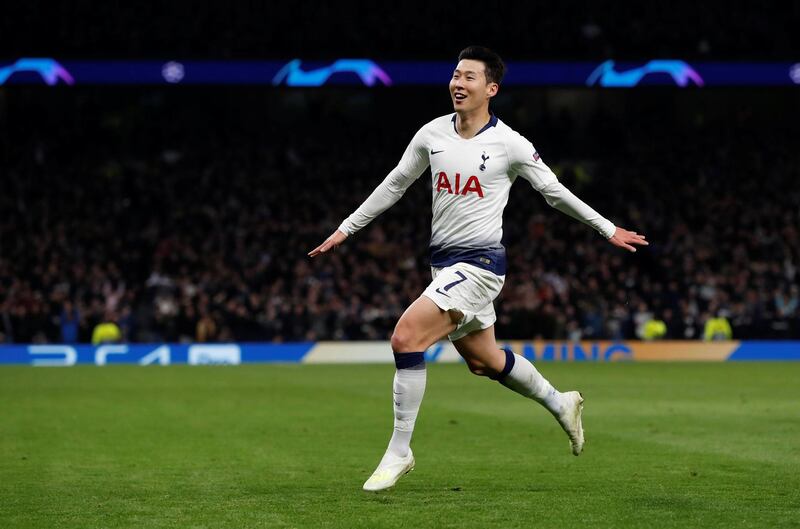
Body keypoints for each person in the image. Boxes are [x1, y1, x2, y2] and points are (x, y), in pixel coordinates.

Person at [309, 45, 648, 492]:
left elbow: (554, 191)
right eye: (455, 74)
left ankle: (400, 451)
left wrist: (607, 229)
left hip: (482, 264)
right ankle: (559, 401)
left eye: (469, 77)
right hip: (445, 265)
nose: (458, 82)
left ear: (491, 89)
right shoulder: (431, 134)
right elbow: (395, 182)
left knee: (405, 337)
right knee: (484, 361)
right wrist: (346, 229)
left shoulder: (510, 143)